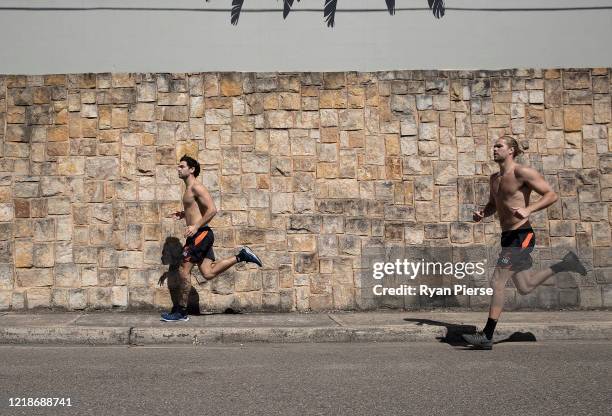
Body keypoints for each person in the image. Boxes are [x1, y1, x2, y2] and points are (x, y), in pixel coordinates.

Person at [462, 136, 586, 349]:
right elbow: (494, 204)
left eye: (499, 146)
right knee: (525, 286)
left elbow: (551, 194)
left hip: (522, 235)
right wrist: (483, 212)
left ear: (511, 150)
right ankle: (566, 264)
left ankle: (487, 336)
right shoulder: (494, 178)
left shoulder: (522, 173)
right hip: (507, 236)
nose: (494, 149)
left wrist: (529, 210)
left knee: (497, 281)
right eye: (494, 145)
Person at [159, 155, 263, 322]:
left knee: (183, 271)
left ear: (191, 169)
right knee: (207, 273)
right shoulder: (189, 189)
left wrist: (195, 226)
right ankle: (241, 256)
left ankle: (181, 312)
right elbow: (198, 209)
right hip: (201, 235)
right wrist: (184, 214)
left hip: (200, 235)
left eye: (181, 166)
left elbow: (212, 209)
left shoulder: (196, 187)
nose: (178, 169)